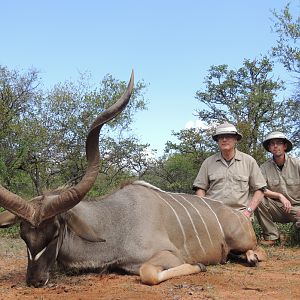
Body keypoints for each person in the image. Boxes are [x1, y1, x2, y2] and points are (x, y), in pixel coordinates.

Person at [193, 122, 266, 218]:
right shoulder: (208, 162)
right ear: (217, 141)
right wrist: (205, 211)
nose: (224, 139)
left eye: (228, 136)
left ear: (235, 139)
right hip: (214, 214)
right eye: (221, 137)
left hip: (240, 214)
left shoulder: (249, 161)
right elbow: (200, 188)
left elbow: (260, 190)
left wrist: (248, 212)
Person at [255, 131, 300, 246]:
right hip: (277, 208)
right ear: (269, 148)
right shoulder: (264, 167)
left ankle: (294, 237)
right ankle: (272, 237)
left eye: (279, 143)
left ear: (284, 146)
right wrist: (280, 196)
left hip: (297, 208)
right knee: (257, 198)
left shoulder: (297, 164)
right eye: (272, 144)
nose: (275, 146)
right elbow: (261, 188)